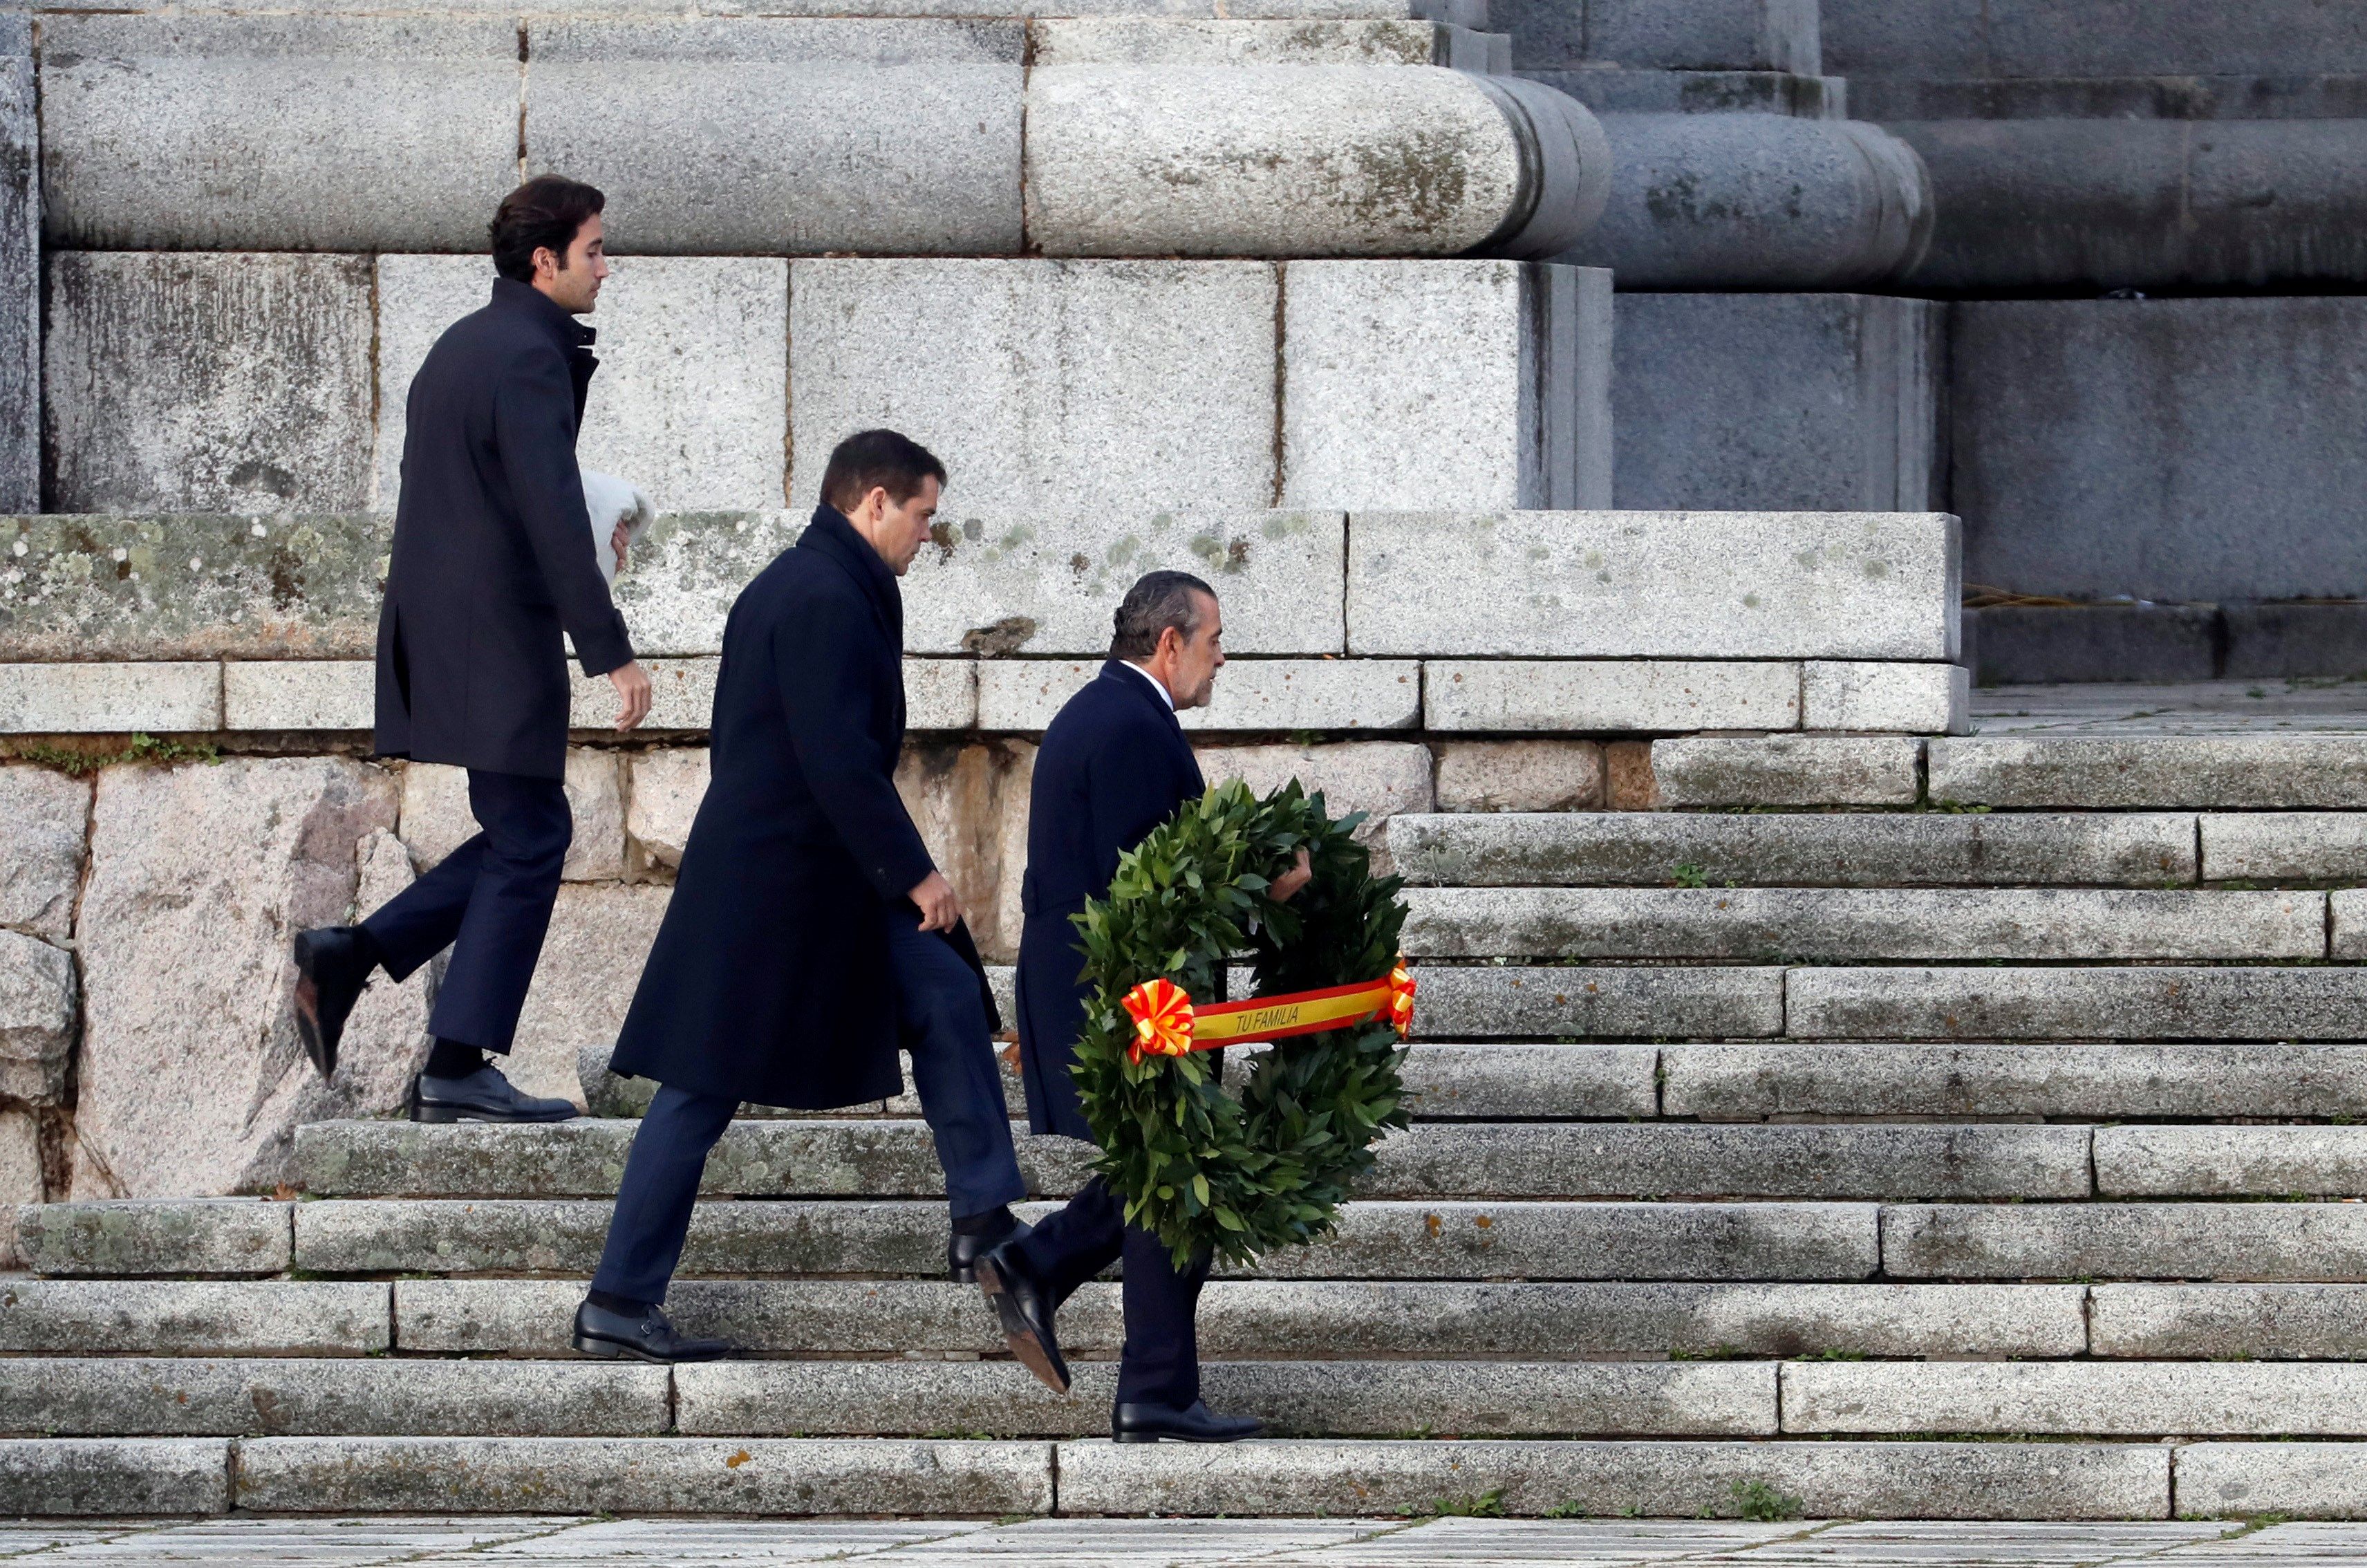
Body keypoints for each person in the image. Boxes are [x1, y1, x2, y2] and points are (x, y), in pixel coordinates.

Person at [570, 429, 1027, 1363]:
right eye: (922, 516)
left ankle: (984, 1218)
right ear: (873, 504)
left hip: (815, 879)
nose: (925, 536)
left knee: (941, 994)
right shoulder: (822, 595)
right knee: (698, 1091)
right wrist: (917, 873)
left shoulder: (817, 585)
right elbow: (835, 759)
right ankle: (617, 1300)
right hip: (777, 887)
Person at [290, 174, 652, 1123]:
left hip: (447, 626)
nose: (606, 268)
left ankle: (356, 959)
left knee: (523, 835)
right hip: (495, 635)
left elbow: (487, 489)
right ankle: (452, 1060)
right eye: (595, 250)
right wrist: (609, 651)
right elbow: (546, 516)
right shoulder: (528, 356)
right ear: (547, 259)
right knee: (533, 838)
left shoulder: (465, 345)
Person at [976, 571, 1309, 1444]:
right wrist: (1265, 890)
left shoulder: (1104, 714)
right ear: (1169, 643)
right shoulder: (1129, 726)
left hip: (1102, 990)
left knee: (1160, 1179)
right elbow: (1151, 893)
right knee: (1171, 1183)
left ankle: (1039, 1268)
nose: (1220, 657)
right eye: (1213, 640)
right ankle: (1152, 1386)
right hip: (1123, 999)